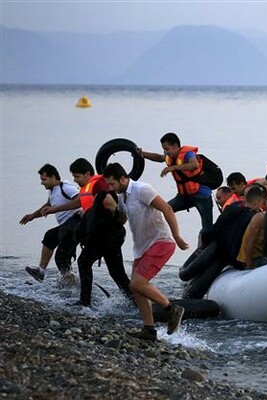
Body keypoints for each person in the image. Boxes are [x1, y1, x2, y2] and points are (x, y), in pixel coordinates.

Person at [103, 162, 189, 341]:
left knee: (136, 284)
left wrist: (177, 236)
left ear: (123, 178)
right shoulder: (121, 197)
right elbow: (122, 219)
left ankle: (172, 309)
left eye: (112, 184)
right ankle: (149, 330)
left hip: (161, 242)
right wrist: (109, 212)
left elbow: (167, 208)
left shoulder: (142, 189)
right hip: (142, 247)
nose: (110, 188)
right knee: (137, 290)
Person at [42, 158, 132, 307]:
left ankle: (85, 303)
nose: (75, 180)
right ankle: (134, 303)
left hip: (106, 234)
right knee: (117, 273)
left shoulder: (99, 183)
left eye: (77, 176)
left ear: (87, 173)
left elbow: (110, 202)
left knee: (84, 262)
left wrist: (108, 222)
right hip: (107, 235)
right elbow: (86, 204)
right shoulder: (88, 188)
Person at [139, 132, 213, 229]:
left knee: (207, 230)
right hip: (184, 196)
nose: (165, 152)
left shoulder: (188, 154)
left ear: (175, 146)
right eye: (163, 149)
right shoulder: (170, 157)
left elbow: (194, 164)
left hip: (202, 196)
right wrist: (142, 154)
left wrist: (173, 168)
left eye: (166, 149)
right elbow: (159, 158)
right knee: (164, 210)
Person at [21, 164, 80, 284]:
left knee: (61, 257)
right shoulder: (53, 191)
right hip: (65, 227)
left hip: (76, 224)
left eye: (44, 179)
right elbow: (48, 205)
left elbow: (81, 200)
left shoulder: (67, 187)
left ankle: (73, 284)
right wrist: (32, 216)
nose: (42, 183)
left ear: (53, 177)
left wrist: (56, 209)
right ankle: (41, 271)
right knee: (49, 237)